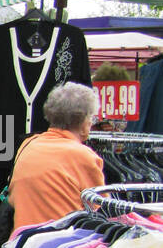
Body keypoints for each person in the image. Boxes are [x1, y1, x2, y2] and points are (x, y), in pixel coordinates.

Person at [8, 82, 104, 231]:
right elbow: (101, 209)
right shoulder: (84, 156)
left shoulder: (28, 144)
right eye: (91, 117)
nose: (92, 122)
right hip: (61, 240)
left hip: (21, 238)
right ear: (83, 120)